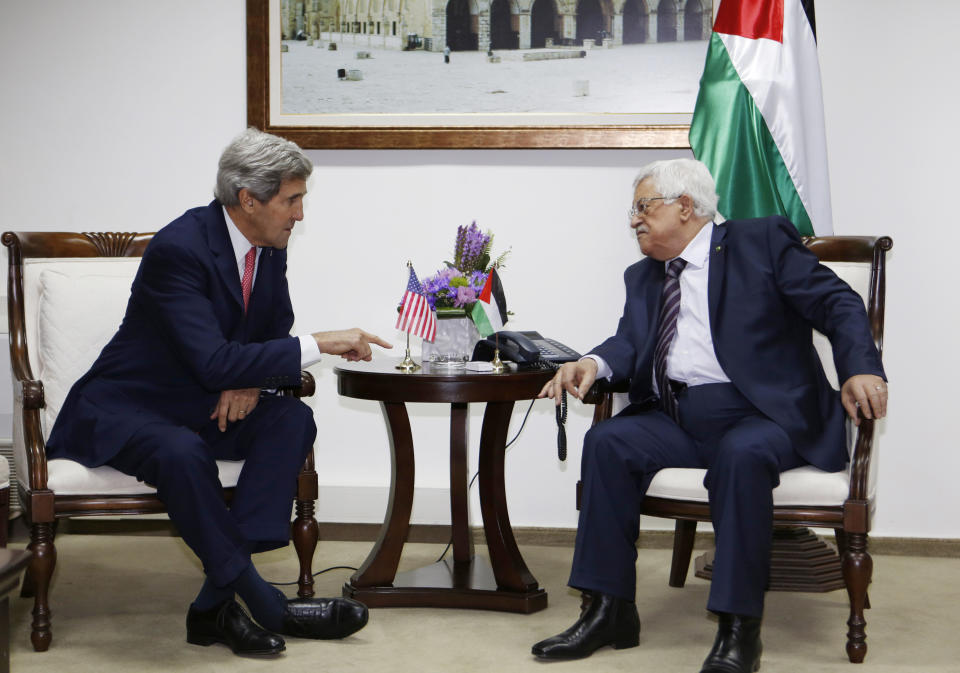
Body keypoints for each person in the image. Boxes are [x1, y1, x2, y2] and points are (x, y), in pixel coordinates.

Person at [46, 127, 392, 657]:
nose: (300, 215)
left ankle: (212, 607)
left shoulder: (267, 245)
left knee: (292, 421)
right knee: (181, 453)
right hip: (130, 405)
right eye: (291, 200)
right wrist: (321, 343)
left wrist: (249, 378)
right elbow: (211, 361)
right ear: (247, 200)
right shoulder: (179, 249)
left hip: (202, 400)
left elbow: (272, 330)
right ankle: (265, 602)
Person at [532, 158, 887, 673]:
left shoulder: (759, 242)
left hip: (763, 414)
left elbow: (838, 303)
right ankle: (609, 610)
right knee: (607, 442)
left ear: (684, 205)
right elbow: (630, 341)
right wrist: (590, 361)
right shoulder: (643, 276)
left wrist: (859, 368)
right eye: (632, 211)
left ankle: (738, 628)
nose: (633, 220)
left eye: (642, 207)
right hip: (678, 416)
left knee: (740, 456)